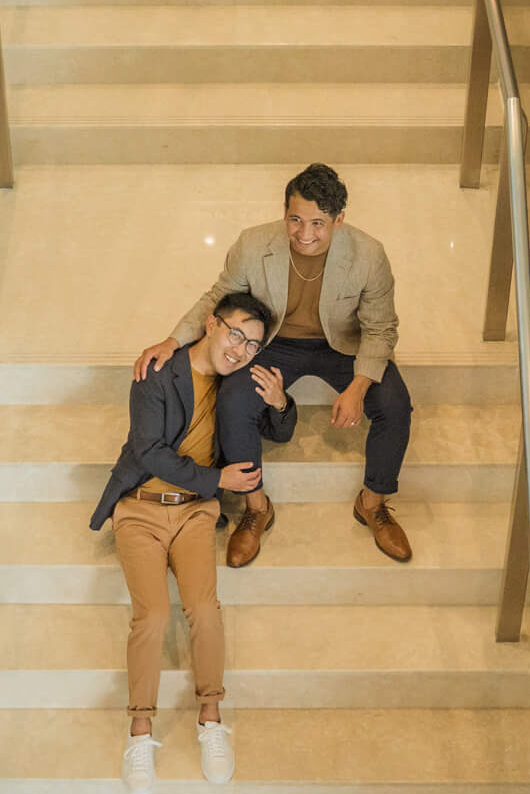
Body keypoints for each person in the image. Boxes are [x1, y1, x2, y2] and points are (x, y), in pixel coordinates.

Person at [132, 163, 413, 566]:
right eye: (295, 219)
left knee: (395, 404)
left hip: (343, 346)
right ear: (284, 212)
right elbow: (218, 299)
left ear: (339, 220)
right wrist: (173, 340)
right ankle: (256, 507)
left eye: (318, 223)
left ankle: (373, 502)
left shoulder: (369, 254)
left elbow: (382, 329)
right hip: (275, 343)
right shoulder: (253, 244)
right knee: (233, 402)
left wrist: (358, 386)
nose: (304, 234)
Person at [91, 290, 296, 794]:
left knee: (204, 609)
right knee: (153, 615)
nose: (240, 350)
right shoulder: (159, 369)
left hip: (195, 513)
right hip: (140, 507)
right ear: (211, 324)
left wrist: (280, 403)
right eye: (235, 334)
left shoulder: (236, 385)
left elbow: (276, 431)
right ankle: (140, 733)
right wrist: (217, 479)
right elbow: (148, 449)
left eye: (252, 344)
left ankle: (211, 720)